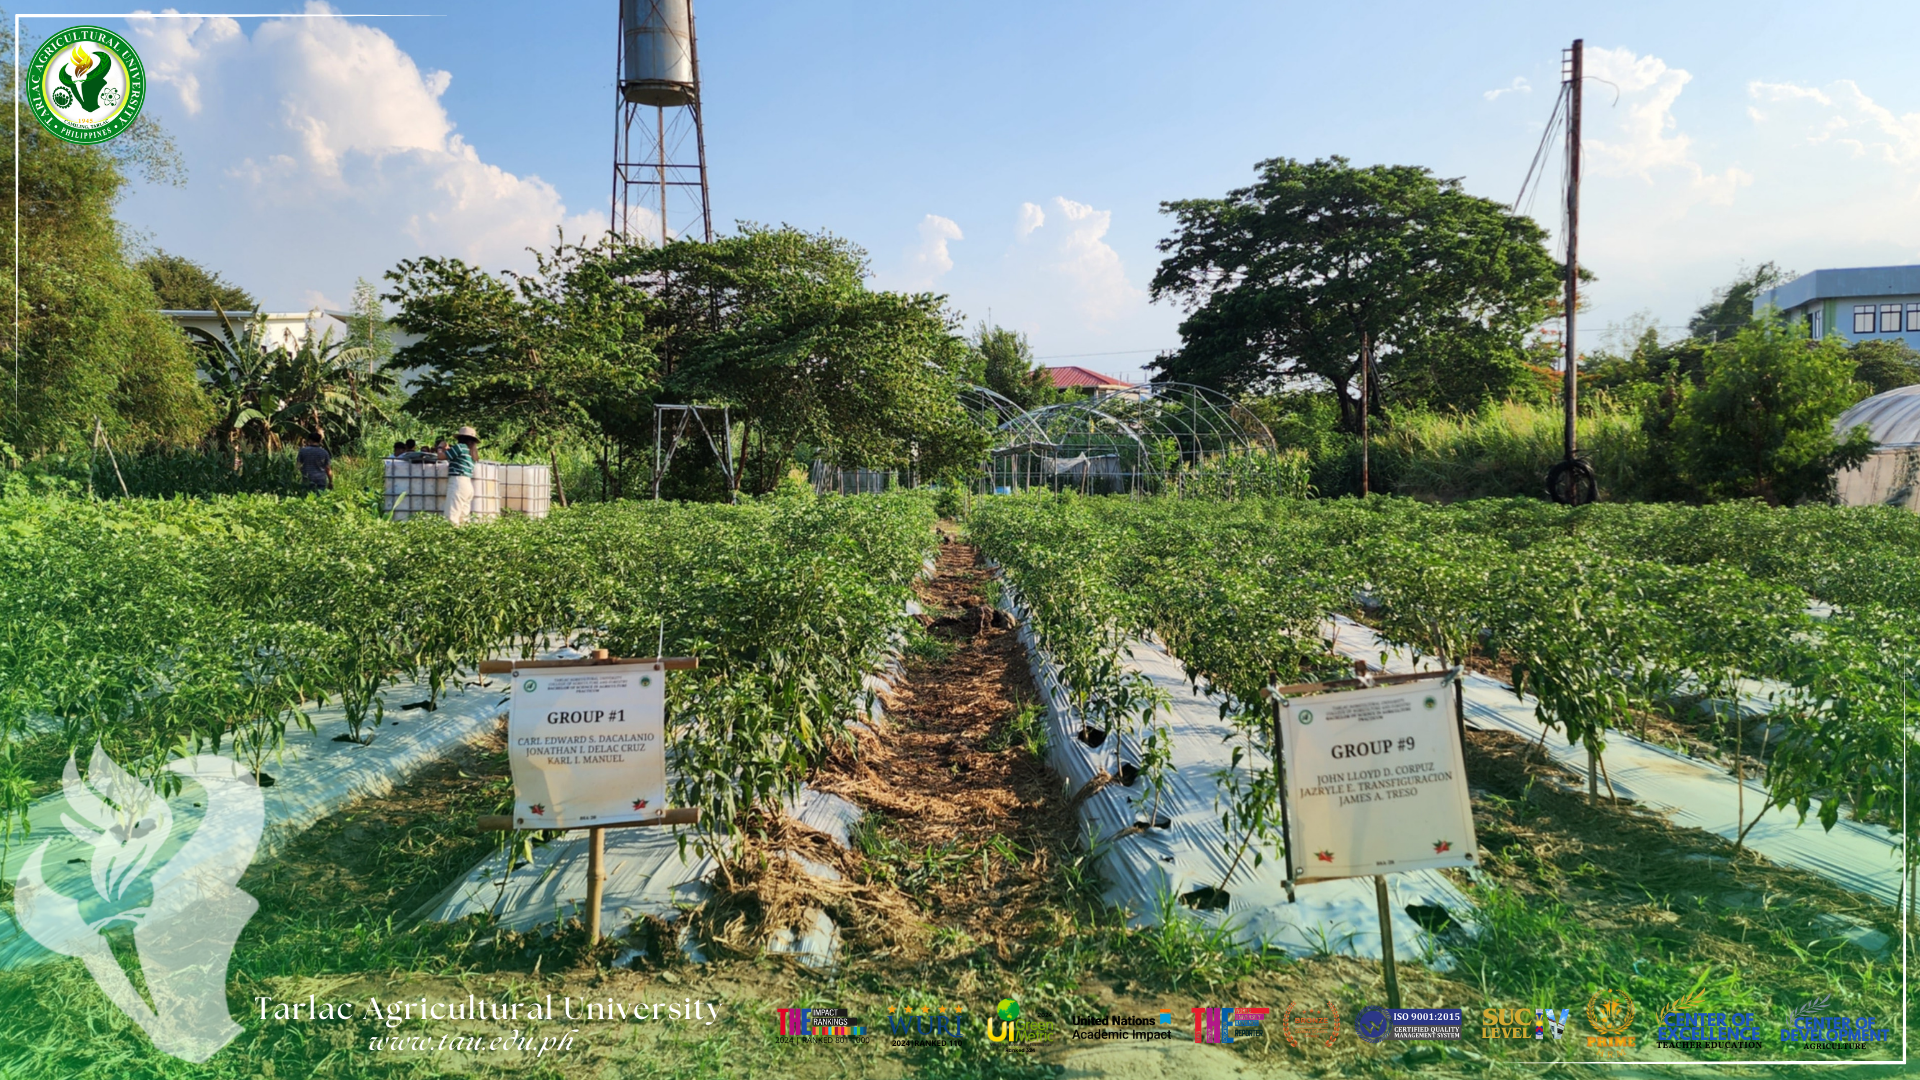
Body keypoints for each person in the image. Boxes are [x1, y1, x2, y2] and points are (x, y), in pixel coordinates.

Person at [444, 426, 479, 524]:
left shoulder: (460, 447)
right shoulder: (472, 452)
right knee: (463, 518)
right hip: (468, 484)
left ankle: (450, 534)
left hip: (458, 482)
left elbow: (441, 456)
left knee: (451, 516)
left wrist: (440, 448)